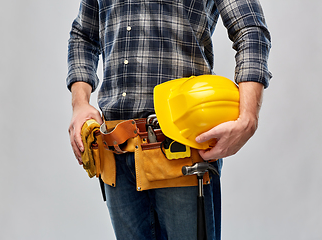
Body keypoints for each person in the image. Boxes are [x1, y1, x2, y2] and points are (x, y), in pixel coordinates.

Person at [67, 0, 272, 239]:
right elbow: (84, 34)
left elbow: (250, 29)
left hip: (180, 150)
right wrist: (80, 104)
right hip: (115, 153)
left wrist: (248, 116)